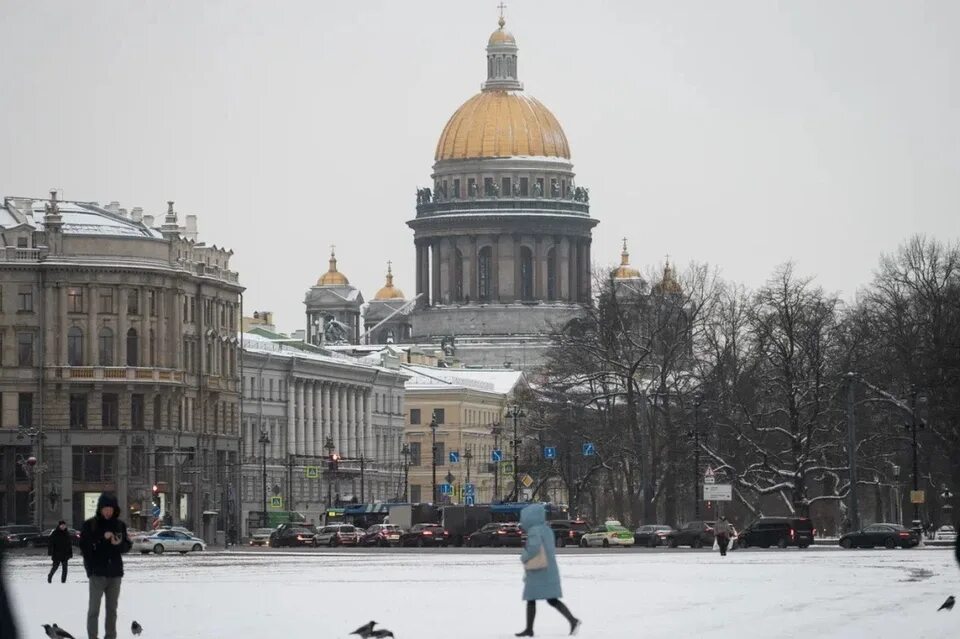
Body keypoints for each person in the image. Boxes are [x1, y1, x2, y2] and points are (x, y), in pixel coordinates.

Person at [515, 504, 580, 637]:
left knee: (531, 598)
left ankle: (529, 629)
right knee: (551, 599)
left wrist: (523, 557)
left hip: (538, 571)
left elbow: (533, 548)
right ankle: (572, 620)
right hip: (549, 569)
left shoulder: (534, 531)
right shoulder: (547, 529)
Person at [80, 493, 131, 639]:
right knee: (94, 610)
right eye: (105, 508)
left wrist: (119, 544)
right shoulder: (90, 525)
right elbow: (85, 547)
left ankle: (110, 636)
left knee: (112, 610)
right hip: (97, 573)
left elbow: (126, 546)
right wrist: (102, 539)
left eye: (111, 509)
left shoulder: (119, 525)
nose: (108, 512)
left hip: (115, 574)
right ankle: (93, 636)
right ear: (100, 509)